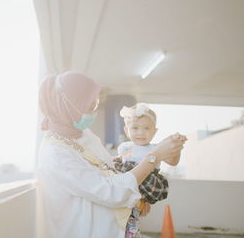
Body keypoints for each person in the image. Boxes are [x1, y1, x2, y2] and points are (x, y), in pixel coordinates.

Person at [37, 71, 187, 238]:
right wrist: (153, 157)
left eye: (95, 105)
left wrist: (139, 195)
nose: (93, 111)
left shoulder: (82, 134)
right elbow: (110, 191)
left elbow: (108, 168)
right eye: (89, 106)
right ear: (67, 105)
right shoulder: (55, 153)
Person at [115, 103, 184, 237]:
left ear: (155, 131)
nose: (140, 132)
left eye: (146, 128)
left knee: (132, 220)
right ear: (126, 129)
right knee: (121, 219)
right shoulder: (124, 147)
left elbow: (173, 162)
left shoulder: (156, 148)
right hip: (126, 188)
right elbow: (117, 163)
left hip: (146, 187)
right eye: (135, 128)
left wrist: (177, 148)